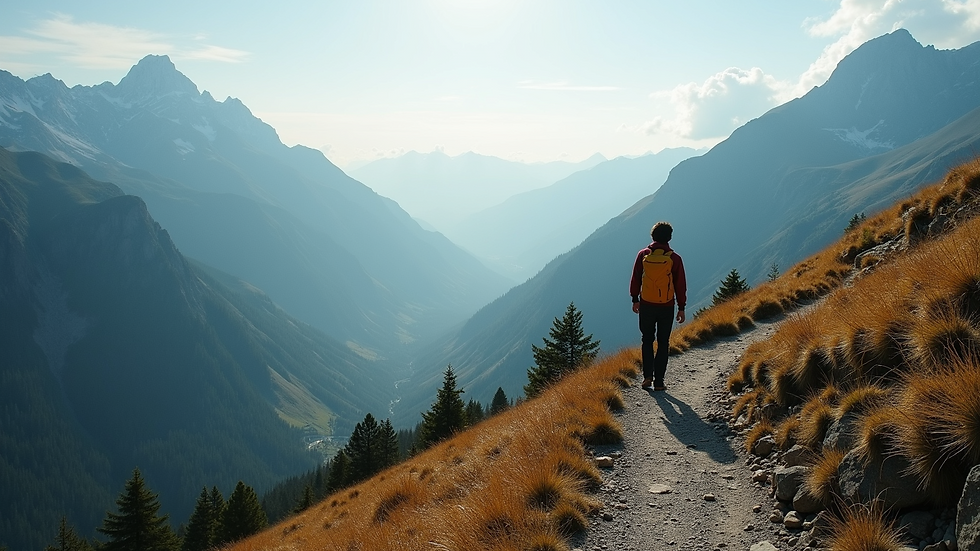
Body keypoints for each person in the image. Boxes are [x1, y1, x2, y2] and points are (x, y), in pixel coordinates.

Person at [629, 221, 687, 391]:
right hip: (666, 306)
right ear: (669, 238)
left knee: (647, 340)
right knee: (663, 342)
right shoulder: (675, 259)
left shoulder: (642, 255)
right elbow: (680, 285)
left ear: (652, 236)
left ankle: (647, 376)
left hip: (646, 304)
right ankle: (659, 381)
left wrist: (635, 299)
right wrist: (681, 307)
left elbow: (636, 278)